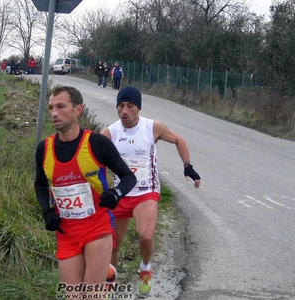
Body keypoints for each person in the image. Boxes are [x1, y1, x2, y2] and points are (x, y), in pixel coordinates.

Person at [34, 85, 136, 298]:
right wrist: (47, 211)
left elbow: (128, 177)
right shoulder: (44, 148)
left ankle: (103, 277)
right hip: (67, 232)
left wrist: (116, 194)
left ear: (78, 109)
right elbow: (40, 184)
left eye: (61, 106)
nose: (54, 113)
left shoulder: (97, 143)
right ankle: (107, 274)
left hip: (97, 228)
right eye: (51, 107)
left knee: (91, 295)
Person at [100, 85, 201, 296]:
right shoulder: (110, 132)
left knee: (145, 236)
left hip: (146, 192)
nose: (124, 111)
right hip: (120, 194)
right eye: (120, 106)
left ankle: (145, 268)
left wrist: (187, 166)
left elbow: (178, 140)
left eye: (130, 106)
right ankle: (111, 279)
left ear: (139, 108)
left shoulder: (151, 127)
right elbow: (91, 156)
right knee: (113, 245)